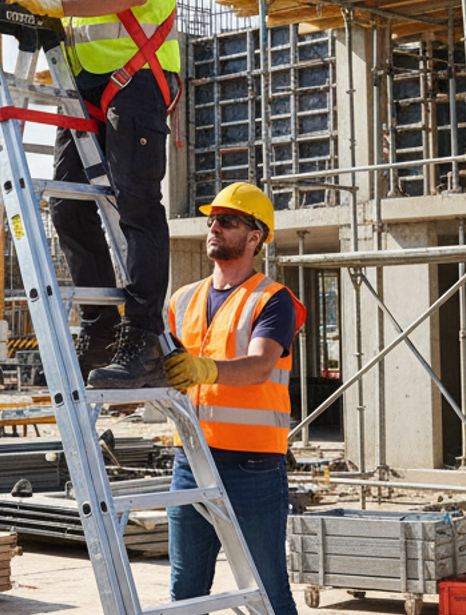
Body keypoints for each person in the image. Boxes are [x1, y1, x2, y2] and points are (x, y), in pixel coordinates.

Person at [0, 0, 185, 387]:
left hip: (135, 76)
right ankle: (99, 331)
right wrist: (7, 3)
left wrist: (56, 6)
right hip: (80, 86)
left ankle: (141, 341)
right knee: (68, 209)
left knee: (136, 207)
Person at [160, 182, 306, 615]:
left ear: (254, 237)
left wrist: (204, 370)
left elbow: (260, 365)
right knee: (186, 594)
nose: (214, 228)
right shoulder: (182, 299)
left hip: (252, 466)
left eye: (226, 221)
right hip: (191, 460)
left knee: (269, 593)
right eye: (212, 220)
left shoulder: (274, 299)